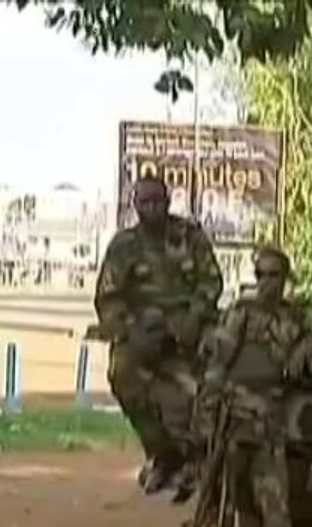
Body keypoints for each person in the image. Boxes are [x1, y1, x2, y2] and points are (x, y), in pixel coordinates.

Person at [187, 247, 312, 527]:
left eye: (274, 275)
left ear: (285, 279)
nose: (267, 283)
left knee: (276, 509)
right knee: (218, 510)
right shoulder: (241, 313)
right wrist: (204, 424)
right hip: (230, 425)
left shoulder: (294, 317)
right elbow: (216, 367)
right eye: (261, 275)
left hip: (267, 428)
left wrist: (307, 347)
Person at [94, 175, 223, 497]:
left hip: (190, 324)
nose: (152, 209)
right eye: (145, 203)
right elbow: (108, 298)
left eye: (158, 202)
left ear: (168, 202)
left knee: (210, 385)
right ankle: (162, 455)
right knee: (122, 374)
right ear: (135, 206)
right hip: (144, 328)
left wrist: (195, 315)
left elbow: (211, 282)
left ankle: (201, 459)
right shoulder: (124, 246)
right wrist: (130, 330)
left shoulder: (190, 236)